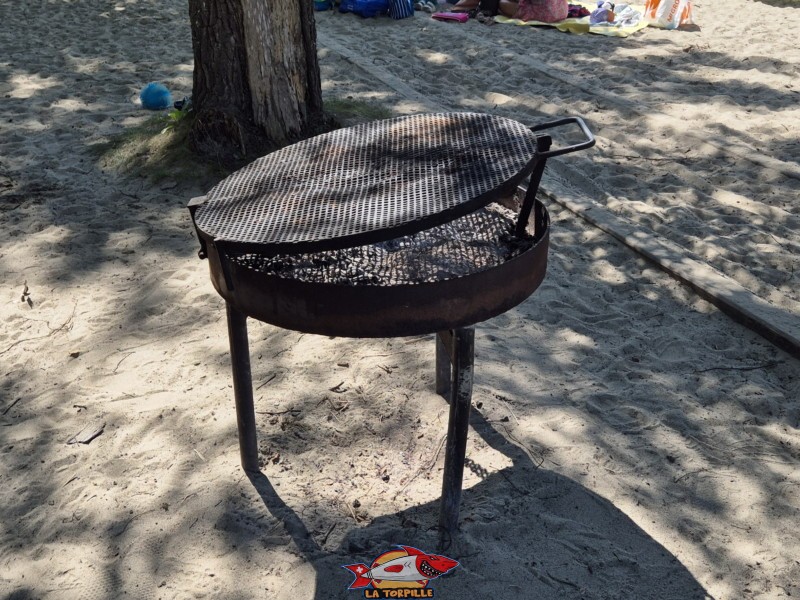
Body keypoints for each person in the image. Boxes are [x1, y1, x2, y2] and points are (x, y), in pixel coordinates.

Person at [451, 0, 568, 22]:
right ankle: (459, 7)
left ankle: (458, 7)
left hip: (546, 13)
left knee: (502, 3)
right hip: (562, 11)